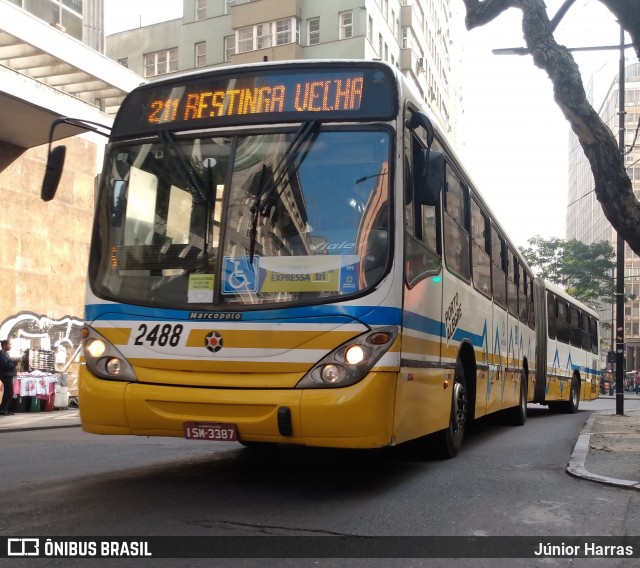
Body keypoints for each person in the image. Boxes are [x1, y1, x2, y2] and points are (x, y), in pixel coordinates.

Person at [0, 339, 17, 416]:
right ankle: (3, 409)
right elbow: (6, 366)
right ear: (4, 345)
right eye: (9, 345)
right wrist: (16, 362)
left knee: (9, 392)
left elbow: (9, 363)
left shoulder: (5, 354)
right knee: (9, 392)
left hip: (8, 375)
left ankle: (5, 409)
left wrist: (14, 361)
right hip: (5, 375)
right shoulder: (1, 354)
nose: (10, 346)